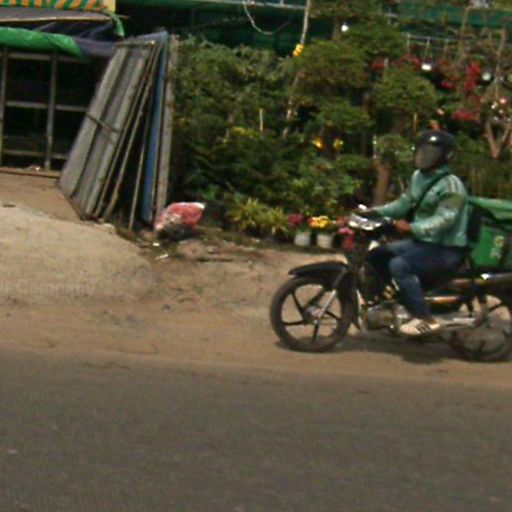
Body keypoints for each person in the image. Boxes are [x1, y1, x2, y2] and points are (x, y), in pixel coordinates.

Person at [365, 129, 470, 337]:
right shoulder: (419, 177)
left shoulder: (453, 186)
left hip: (446, 249)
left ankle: (425, 318)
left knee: (399, 265)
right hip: (423, 243)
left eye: (431, 152)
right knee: (377, 255)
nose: (425, 156)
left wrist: (412, 227)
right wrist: (373, 213)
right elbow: (403, 204)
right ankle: (395, 304)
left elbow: (445, 219)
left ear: (446, 156)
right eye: (422, 151)